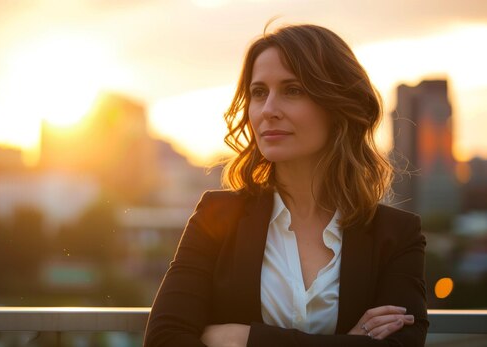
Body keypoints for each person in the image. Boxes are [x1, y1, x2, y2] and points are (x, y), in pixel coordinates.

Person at [144, 23, 428, 347]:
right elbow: (164, 340)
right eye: (259, 92)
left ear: (337, 105)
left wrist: (246, 339)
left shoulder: (396, 234)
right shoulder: (217, 216)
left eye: (293, 90)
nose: (268, 111)